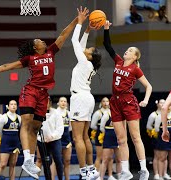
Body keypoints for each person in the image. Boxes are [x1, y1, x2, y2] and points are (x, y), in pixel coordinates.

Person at [0, 12, 79, 179]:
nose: (43, 41)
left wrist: (76, 20)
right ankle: (28, 159)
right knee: (27, 122)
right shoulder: (29, 58)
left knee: (36, 128)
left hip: (44, 94)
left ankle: (29, 158)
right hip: (30, 91)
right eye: (39, 41)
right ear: (35, 47)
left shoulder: (51, 51)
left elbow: (63, 34)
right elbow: (8, 65)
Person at [103, 20, 152, 180]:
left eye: (130, 50)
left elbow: (149, 86)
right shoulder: (118, 61)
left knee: (136, 137)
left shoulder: (135, 69)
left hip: (128, 101)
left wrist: (145, 100)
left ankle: (144, 169)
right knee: (121, 139)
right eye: (127, 49)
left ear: (135, 56)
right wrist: (106, 29)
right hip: (115, 102)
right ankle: (126, 171)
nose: (127, 51)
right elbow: (107, 45)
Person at [69, 6, 102, 180]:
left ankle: (83, 171)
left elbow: (75, 42)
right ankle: (91, 169)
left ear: (89, 56)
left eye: (88, 50)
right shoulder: (89, 64)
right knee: (85, 137)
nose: (86, 49)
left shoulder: (84, 63)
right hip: (87, 98)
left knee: (77, 138)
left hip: (79, 99)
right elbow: (81, 46)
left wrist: (80, 23)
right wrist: (88, 30)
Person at [36, 97, 64, 180]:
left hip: (55, 140)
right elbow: (35, 128)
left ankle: (60, 178)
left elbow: (60, 128)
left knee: (58, 160)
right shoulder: (37, 113)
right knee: (46, 163)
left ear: (50, 102)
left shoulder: (56, 113)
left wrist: (52, 136)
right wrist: (40, 138)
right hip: (42, 141)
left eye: (47, 101)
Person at [0, 100, 21, 180]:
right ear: (8, 106)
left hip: (15, 143)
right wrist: (4, 139)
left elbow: (20, 130)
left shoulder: (19, 118)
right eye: (11, 104)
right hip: (6, 142)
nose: (13, 106)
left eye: (15, 104)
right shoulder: (4, 117)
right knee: (3, 164)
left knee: (13, 165)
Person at [99, 104, 122, 180]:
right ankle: (101, 177)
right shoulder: (106, 115)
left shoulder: (120, 114)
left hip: (118, 137)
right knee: (105, 159)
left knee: (119, 159)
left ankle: (120, 177)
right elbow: (102, 127)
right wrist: (108, 134)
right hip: (108, 138)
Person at [154, 104, 171, 180]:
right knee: (162, 158)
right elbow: (156, 129)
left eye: (170, 105)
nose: (169, 107)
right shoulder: (160, 116)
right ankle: (160, 176)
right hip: (163, 139)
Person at [146, 99, 165, 180]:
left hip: (165, 137)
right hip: (157, 136)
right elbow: (148, 126)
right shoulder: (153, 115)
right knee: (157, 156)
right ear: (157, 104)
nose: (163, 104)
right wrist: (154, 132)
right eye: (161, 103)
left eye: (164, 103)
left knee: (164, 156)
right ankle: (156, 173)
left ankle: (164, 173)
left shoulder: (167, 114)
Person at [90, 97, 110, 171]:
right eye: (103, 101)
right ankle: (97, 174)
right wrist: (100, 130)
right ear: (101, 103)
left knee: (109, 157)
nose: (105, 103)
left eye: (107, 101)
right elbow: (92, 125)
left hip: (109, 135)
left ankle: (109, 174)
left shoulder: (111, 112)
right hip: (100, 135)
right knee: (99, 156)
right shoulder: (98, 113)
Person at [56, 97, 73, 180]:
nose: (63, 103)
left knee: (67, 161)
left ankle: (67, 178)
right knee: (56, 161)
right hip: (57, 139)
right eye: (61, 101)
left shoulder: (69, 113)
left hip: (67, 139)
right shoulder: (55, 113)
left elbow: (71, 127)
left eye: (65, 101)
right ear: (58, 103)